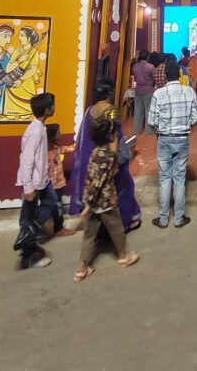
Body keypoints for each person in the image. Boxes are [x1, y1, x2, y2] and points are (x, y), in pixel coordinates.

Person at [74, 112, 140, 282]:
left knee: (89, 236)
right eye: (114, 135)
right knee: (117, 230)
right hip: (105, 202)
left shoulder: (95, 153)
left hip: (92, 202)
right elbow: (99, 183)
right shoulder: (107, 157)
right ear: (109, 137)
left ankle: (82, 269)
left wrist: (87, 204)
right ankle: (124, 256)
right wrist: (88, 206)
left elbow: (91, 179)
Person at [14, 93, 75, 270]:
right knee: (28, 218)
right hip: (33, 182)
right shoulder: (34, 131)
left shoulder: (41, 128)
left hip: (43, 180)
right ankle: (29, 255)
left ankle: (31, 230)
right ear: (47, 109)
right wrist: (28, 187)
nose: (55, 107)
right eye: (53, 105)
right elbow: (26, 159)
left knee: (50, 201)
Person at [70, 80, 141, 231]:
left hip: (94, 156)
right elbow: (114, 136)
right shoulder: (111, 110)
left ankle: (98, 224)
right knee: (124, 186)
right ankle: (125, 222)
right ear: (109, 94)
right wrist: (117, 159)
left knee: (98, 190)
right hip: (108, 156)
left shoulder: (90, 111)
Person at [148, 60, 197, 228]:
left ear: (165, 76)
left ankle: (163, 219)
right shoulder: (189, 91)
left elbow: (152, 121)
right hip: (182, 139)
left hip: (164, 139)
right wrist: (184, 125)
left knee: (164, 179)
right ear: (179, 74)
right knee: (179, 179)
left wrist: (162, 129)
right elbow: (196, 117)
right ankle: (178, 218)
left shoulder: (158, 94)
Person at [4, 26, 44, 118]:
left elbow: (33, 70)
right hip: (13, 84)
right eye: (19, 35)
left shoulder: (34, 52)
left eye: (22, 35)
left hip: (26, 83)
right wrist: (19, 61)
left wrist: (21, 80)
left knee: (26, 115)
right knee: (10, 116)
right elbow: (7, 69)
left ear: (29, 38)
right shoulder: (17, 51)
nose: (19, 38)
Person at [46, 123, 75, 225]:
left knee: (58, 203)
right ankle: (56, 224)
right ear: (52, 135)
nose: (61, 133)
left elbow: (70, 148)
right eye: (58, 132)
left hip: (58, 183)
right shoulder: (45, 151)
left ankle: (58, 224)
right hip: (51, 184)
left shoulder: (57, 148)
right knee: (54, 204)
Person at [132, 49, 155, 136]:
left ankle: (137, 130)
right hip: (148, 90)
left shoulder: (135, 66)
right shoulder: (151, 66)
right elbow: (153, 79)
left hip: (138, 90)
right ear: (148, 57)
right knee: (148, 110)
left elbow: (135, 77)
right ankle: (148, 131)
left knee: (138, 110)